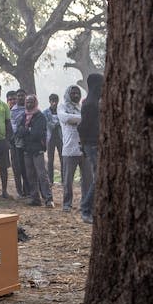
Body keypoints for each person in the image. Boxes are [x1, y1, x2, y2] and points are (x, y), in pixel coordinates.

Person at [16, 95, 54, 207]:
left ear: (35, 103)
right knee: (30, 175)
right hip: (27, 150)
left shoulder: (40, 116)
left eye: (31, 102)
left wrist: (26, 130)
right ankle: (35, 198)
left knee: (42, 175)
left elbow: (37, 134)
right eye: (27, 102)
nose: (29, 104)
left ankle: (48, 199)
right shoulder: (24, 116)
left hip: (38, 150)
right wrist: (28, 130)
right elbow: (19, 132)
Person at [58, 85, 90, 213]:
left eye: (78, 93)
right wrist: (83, 119)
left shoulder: (81, 108)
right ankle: (67, 204)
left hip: (83, 148)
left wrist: (77, 120)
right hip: (69, 149)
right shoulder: (62, 107)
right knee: (67, 180)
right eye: (73, 93)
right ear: (68, 94)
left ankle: (85, 204)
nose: (76, 95)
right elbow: (66, 118)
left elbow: (86, 122)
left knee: (87, 179)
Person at [78, 73, 103, 224]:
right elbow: (82, 128)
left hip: (95, 143)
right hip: (92, 144)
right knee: (98, 177)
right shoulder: (90, 104)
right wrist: (84, 145)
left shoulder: (95, 103)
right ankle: (86, 209)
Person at [10, 88, 30, 198]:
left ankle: (27, 190)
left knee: (26, 167)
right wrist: (16, 134)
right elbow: (12, 125)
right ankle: (19, 191)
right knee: (17, 167)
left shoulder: (30, 109)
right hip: (14, 142)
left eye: (23, 95)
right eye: (19, 96)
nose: (21, 97)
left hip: (27, 142)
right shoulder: (13, 110)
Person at [44, 93, 64, 185]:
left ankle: (64, 179)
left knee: (62, 158)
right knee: (50, 160)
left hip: (60, 138)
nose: (54, 103)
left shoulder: (61, 111)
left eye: (55, 101)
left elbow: (63, 122)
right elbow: (47, 124)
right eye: (52, 101)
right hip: (50, 138)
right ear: (49, 101)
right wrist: (56, 124)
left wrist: (56, 124)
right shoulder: (46, 112)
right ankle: (50, 180)